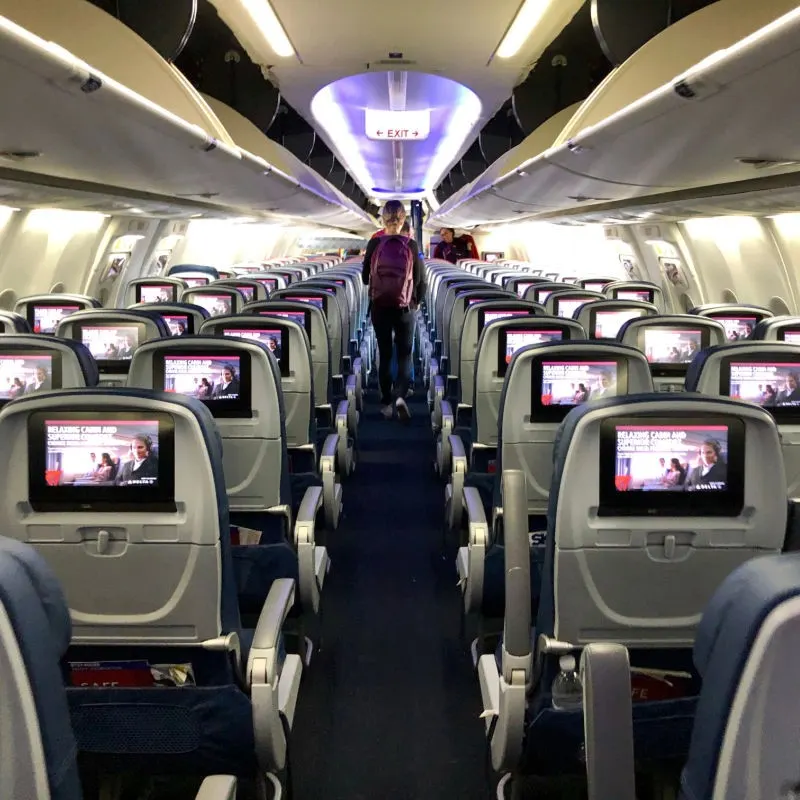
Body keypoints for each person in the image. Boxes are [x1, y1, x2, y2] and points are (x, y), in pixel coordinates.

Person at [362, 200, 426, 421]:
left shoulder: (374, 244)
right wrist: (414, 304)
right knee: (405, 354)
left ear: (383, 219)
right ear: (403, 220)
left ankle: (387, 401)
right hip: (404, 308)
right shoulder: (412, 245)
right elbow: (420, 281)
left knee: (385, 352)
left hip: (380, 307)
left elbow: (363, 278)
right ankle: (401, 396)